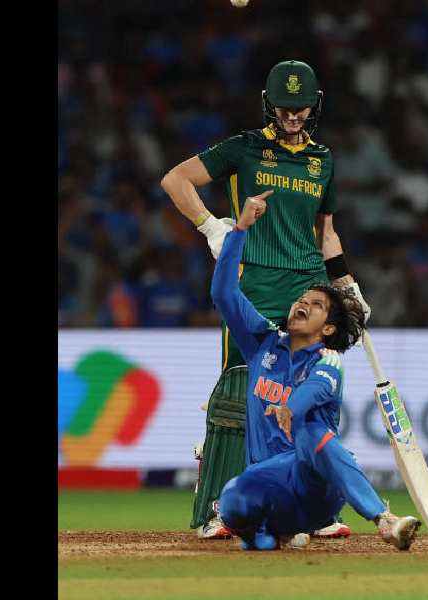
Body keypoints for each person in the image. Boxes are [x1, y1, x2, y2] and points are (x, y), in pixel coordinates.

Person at [161, 60, 370, 539]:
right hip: (254, 281)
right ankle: (224, 507)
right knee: (242, 392)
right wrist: (212, 226)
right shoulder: (245, 147)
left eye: (300, 106)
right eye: (284, 105)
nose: (293, 114)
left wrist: (347, 284)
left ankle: (315, 510)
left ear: (314, 105)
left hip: (310, 288)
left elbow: (327, 233)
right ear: (268, 103)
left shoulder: (323, 159)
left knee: (311, 398)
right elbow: (175, 180)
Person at [211, 194, 420, 551]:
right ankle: (267, 536)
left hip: (313, 484)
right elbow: (224, 293)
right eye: (302, 300)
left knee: (311, 433)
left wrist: (289, 406)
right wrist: (240, 229)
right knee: (232, 498)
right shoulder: (262, 343)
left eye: (316, 304)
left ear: (327, 328)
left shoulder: (328, 358)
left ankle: (383, 521)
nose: (303, 304)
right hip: (268, 485)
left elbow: (315, 393)